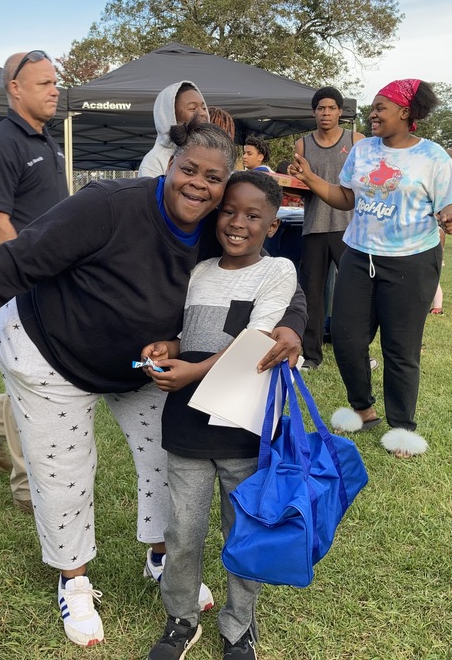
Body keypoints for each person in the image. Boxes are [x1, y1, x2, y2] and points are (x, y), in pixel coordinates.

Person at [0, 118, 305, 647]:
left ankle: (162, 555)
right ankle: (73, 580)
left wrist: (291, 327)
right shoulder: (108, 204)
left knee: (167, 454)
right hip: (49, 350)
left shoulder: (217, 222)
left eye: (213, 179)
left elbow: (274, 279)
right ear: (168, 165)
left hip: (140, 367)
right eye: (189, 170)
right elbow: (22, 258)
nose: (199, 185)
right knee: (65, 467)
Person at [140, 171, 295, 660]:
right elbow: (195, 335)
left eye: (253, 215)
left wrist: (192, 373)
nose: (238, 223)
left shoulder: (278, 271)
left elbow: (256, 343)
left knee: (242, 533)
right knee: (182, 532)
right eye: (229, 211)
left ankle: (240, 625)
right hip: (186, 425)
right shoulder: (199, 271)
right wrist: (170, 346)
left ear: (272, 225)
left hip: (242, 430)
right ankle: (181, 619)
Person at [290, 79, 452, 458]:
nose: (372, 113)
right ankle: (363, 409)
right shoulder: (363, 149)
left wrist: (451, 215)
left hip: (412, 259)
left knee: (400, 348)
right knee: (349, 340)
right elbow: (346, 197)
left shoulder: (433, 157)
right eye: (372, 107)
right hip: (358, 254)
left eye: (381, 107)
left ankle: (402, 427)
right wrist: (310, 178)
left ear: (405, 112)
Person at [0, 50, 69, 515]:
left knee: (43, 379)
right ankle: (29, 490)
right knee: (38, 376)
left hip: (53, 281)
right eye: (43, 83)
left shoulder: (48, 141)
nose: (54, 89)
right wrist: (28, 279)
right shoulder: (0, 143)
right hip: (27, 286)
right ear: (15, 87)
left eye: (55, 82)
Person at [294, 86, 366, 370]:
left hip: (349, 228)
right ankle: (312, 356)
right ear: (314, 112)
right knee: (311, 295)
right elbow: (302, 187)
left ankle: (356, 353)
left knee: (353, 294)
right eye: (321, 108)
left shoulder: (357, 140)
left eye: (331, 108)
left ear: (340, 112)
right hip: (313, 227)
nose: (326, 113)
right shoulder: (303, 144)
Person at [138, 82, 210, 178]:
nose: (202, 113)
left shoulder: (212, 152)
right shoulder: (155, 161)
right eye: (193, 108)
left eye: (204, 108)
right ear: (170, 116)